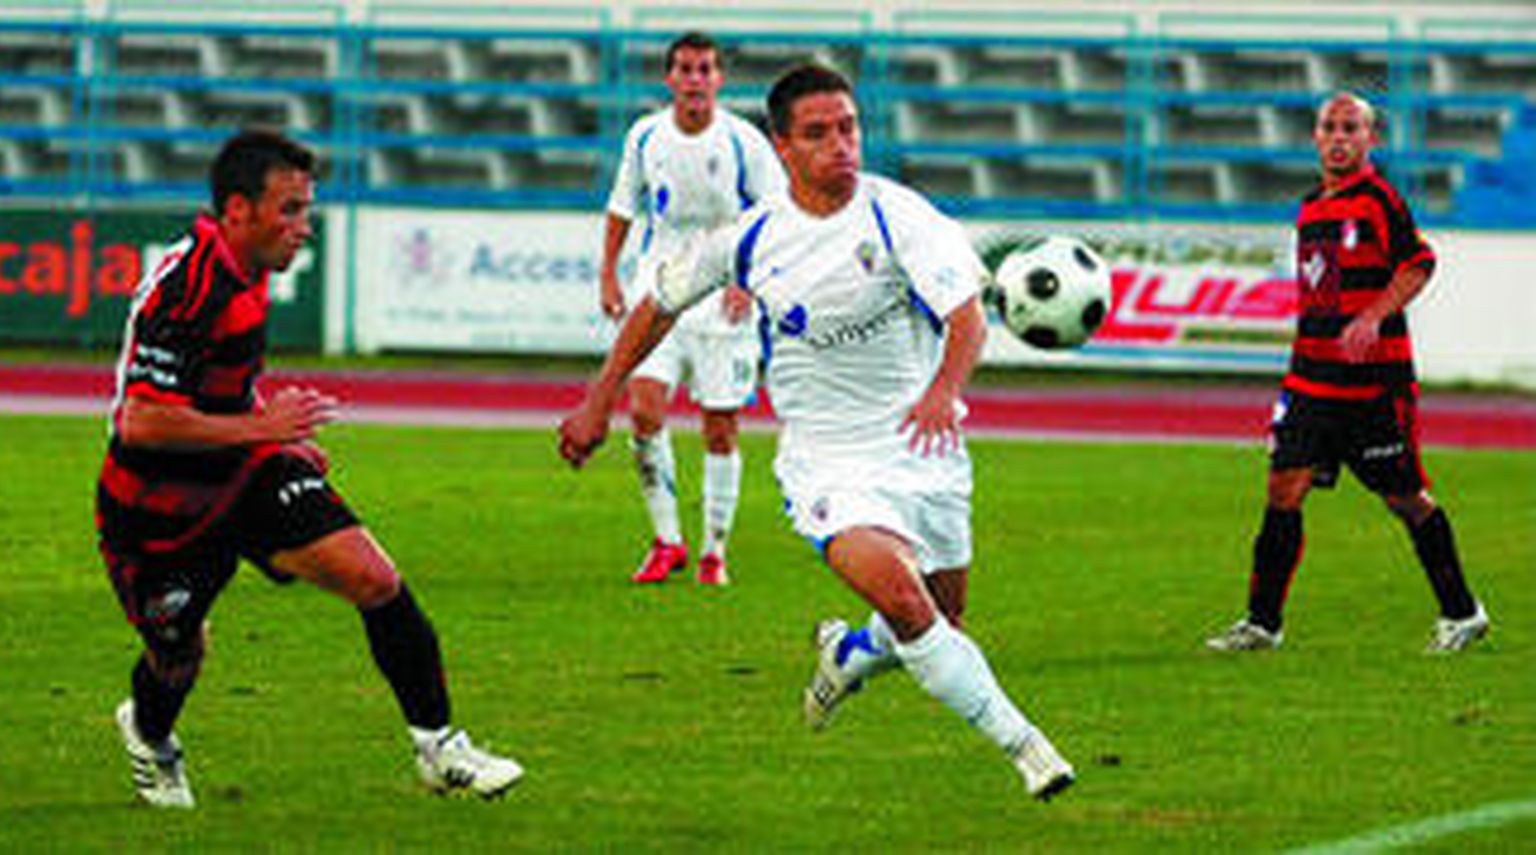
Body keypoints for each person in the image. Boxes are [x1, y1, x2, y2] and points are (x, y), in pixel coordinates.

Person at [562, 64, 1075, 801]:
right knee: (907, 602)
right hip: (827, 461)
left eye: (849, 128)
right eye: (818, 133)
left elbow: (967, 318)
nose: (841, 145)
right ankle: (1027, 746)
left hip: (924, 449)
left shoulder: (901, 216)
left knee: (941, 617)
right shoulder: (754, 237)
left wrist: (942, 391)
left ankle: (848, 652)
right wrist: (599, 396)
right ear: (783, 147)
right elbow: (658, 302)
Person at [96, 130, 522, 808]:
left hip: (240, 474)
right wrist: (261, 428)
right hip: (157, 507)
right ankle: (149, 736)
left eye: (307, 209)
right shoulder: (189, 287)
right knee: (178, 655)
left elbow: (219, 390)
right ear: (238, 210)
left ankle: (440, 746)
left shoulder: (249, 272)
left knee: (374, 578)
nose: (305, 226)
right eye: (290, 209)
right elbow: (141, 420)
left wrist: (271, 440)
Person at [1206, 92, 1490, 654]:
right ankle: (1263, 623)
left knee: (1406, 499)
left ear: (1370, 139)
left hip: (1372, 388)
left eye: (1351, 128)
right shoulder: (1311, 207)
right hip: (1310, 381)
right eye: (1329, 127)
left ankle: (1463, 612)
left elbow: (1419, 262)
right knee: (1282, 489)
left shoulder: (1380, 200)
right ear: (1315, 137)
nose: (1339, 137)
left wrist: (1373, 316)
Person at [598, 31, 785, 586]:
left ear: (719, 79)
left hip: (723, 300)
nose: (695, 79)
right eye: (684, 69)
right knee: (645, 411)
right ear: (670, 78)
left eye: (704, 69)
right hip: (657, 293)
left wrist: (749, 281)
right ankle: (667, 540)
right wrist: (609, 272)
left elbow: (776, 214)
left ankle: (714, 551)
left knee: (720, 428)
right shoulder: (645, 136)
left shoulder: (744, 141)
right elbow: (620, 206)